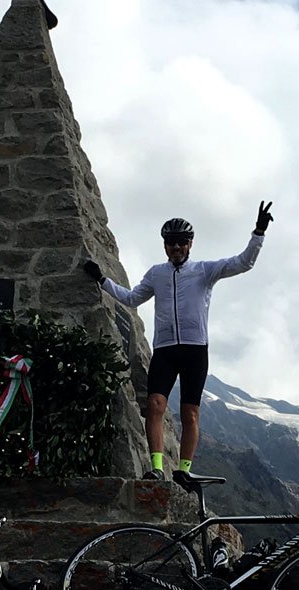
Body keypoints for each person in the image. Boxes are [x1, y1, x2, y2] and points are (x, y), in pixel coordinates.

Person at [83, 201, 274, 480]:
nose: (176, 247)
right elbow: (132, 298)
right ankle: (157, 469)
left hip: (195, 349)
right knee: (155, 405)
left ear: (190, 244)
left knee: (190, 415)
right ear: (164, 245)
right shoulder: (156, 274)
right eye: (171, 242)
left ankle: (184, 470)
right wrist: (101, 280)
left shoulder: (204, 270)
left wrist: (258, 232)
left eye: (181, 242)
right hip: (165, 350)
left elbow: (244, 262)